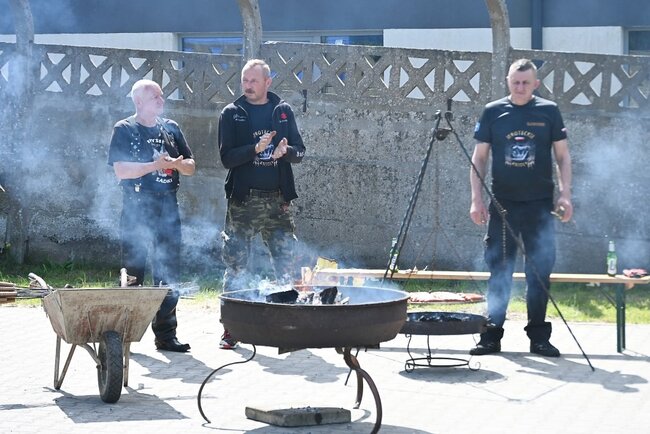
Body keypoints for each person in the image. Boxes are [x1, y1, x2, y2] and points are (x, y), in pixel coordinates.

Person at [469, 59, 573, 358]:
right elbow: (479, 158)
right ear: (507, 81)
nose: (520, 87)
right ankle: (491, 337)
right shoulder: (493, 111)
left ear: (535, 84)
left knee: (539, 273)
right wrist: (476, 199)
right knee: (499, 271)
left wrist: (565, 195)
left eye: (526, 82)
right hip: (503, 205)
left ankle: (539, 338)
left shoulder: (549, 111)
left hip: (540, 206)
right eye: (515, 82)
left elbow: (563, 157)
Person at [218, 59, 306, 349]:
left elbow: (300, 151)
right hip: (244, 202)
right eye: (245, 80)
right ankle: (231, 329)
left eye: (254, 80)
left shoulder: (282, 111)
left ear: (268, 82)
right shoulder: (232, 113)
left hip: (277, 202)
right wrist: (254, 149)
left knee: (287, 262)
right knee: (236, 265)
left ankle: (288, 326)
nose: (248, 85)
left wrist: (286, 151)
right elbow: (226, 158)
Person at [108, 79, 195, 352]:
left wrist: (177, 165)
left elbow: (191, 166)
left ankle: (166, 336)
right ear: (138, 102)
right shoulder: (124, 129)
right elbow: (121, 170)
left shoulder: (171, 128)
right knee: (133, 270)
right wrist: (154, 165)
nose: (161, 100)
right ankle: (124, 334)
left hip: (168, 205)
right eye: (154, 97)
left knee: (168, 270)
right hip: (137, 205)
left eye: (161, 96)